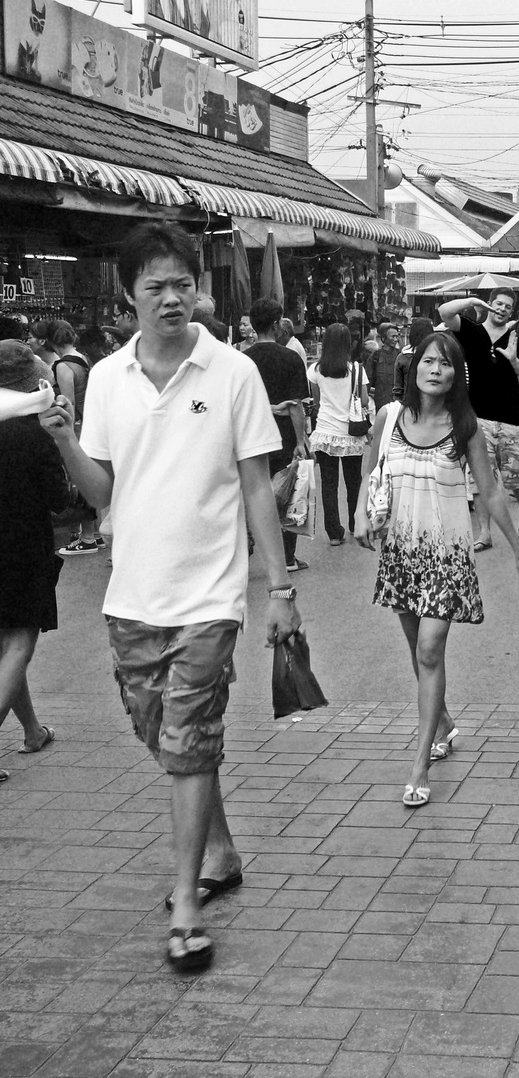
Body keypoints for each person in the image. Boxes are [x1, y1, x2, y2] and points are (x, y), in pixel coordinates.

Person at [39, 221, 300, 975]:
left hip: (210, 596)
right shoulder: (108, 378)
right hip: (132, 596)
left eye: (182, 283)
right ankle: (219, 847)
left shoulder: (233, 373)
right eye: (154, 286)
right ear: (129, 296)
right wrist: (63, 443)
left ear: (199, 288)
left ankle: (187, 903)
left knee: (188, 739)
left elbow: (257, 485)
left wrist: (278, 588)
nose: (171, 297)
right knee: (164, 737)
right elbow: (103, 497)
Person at [356, 332, 519, 809]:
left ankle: (420, 764)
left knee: (430, 651)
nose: (436, 370)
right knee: (419, 652)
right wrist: (359, 513)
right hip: (401, 551)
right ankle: (446, 722)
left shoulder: (465, 426)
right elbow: (369, 468)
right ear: (414, 369)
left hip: (446, 553)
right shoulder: (389, 417)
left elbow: (490, 491)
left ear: (457, 375)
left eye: (447, 364)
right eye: (429, 361)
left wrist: (517, 550)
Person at [1, 342, 69, 780]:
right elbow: (59, 500)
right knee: (20, 643)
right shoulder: (32, 431)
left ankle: (31, 731)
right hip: (22, 545)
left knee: (6, 647)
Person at [437, 289, 519, 549]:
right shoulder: (472, 331)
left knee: (516, 477)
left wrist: (514, 360)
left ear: (512, 312)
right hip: (477, 418)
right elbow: (445, 312)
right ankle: (484, 532)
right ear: (490, 305)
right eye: (498, 304)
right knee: (480, 478)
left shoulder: (518, 339)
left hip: (511, 418)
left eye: (507, 306)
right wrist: (470, 302)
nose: (502, 309)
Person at [245, 299, 313, 569]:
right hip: (283, 435)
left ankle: (246, 540)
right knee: (287, 492)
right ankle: (287, 557)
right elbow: (296, 405)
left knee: (251, 489)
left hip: (251, 435)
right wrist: (300, 441)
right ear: (276, 325)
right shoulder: (290, 357)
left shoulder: (242, 359)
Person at [308, 323, 371, 548]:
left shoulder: (316, 369)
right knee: (353, 481)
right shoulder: (356, 369)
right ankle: (355, 524)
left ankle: (334, 532)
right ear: (348, 344)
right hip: (351, 432)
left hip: (325, 431)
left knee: (329, 483)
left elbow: (316, 401)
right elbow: (363, 401)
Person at [43, 321, 102, 556]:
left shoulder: (63, 366)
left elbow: (68, 402)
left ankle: (87, 537)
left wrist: (67, 434)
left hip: (76, 425)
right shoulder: (82, 358)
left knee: (77, 479)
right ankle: (93, 534)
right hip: (87, 421)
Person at [366, 321, 402, 410]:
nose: (395, 339)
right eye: (393, 336)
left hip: (399, 403)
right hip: (381, 404)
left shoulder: (400, 356)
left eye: (397, 336)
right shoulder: (375, 357)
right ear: (384, 338)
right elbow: (368, 380)